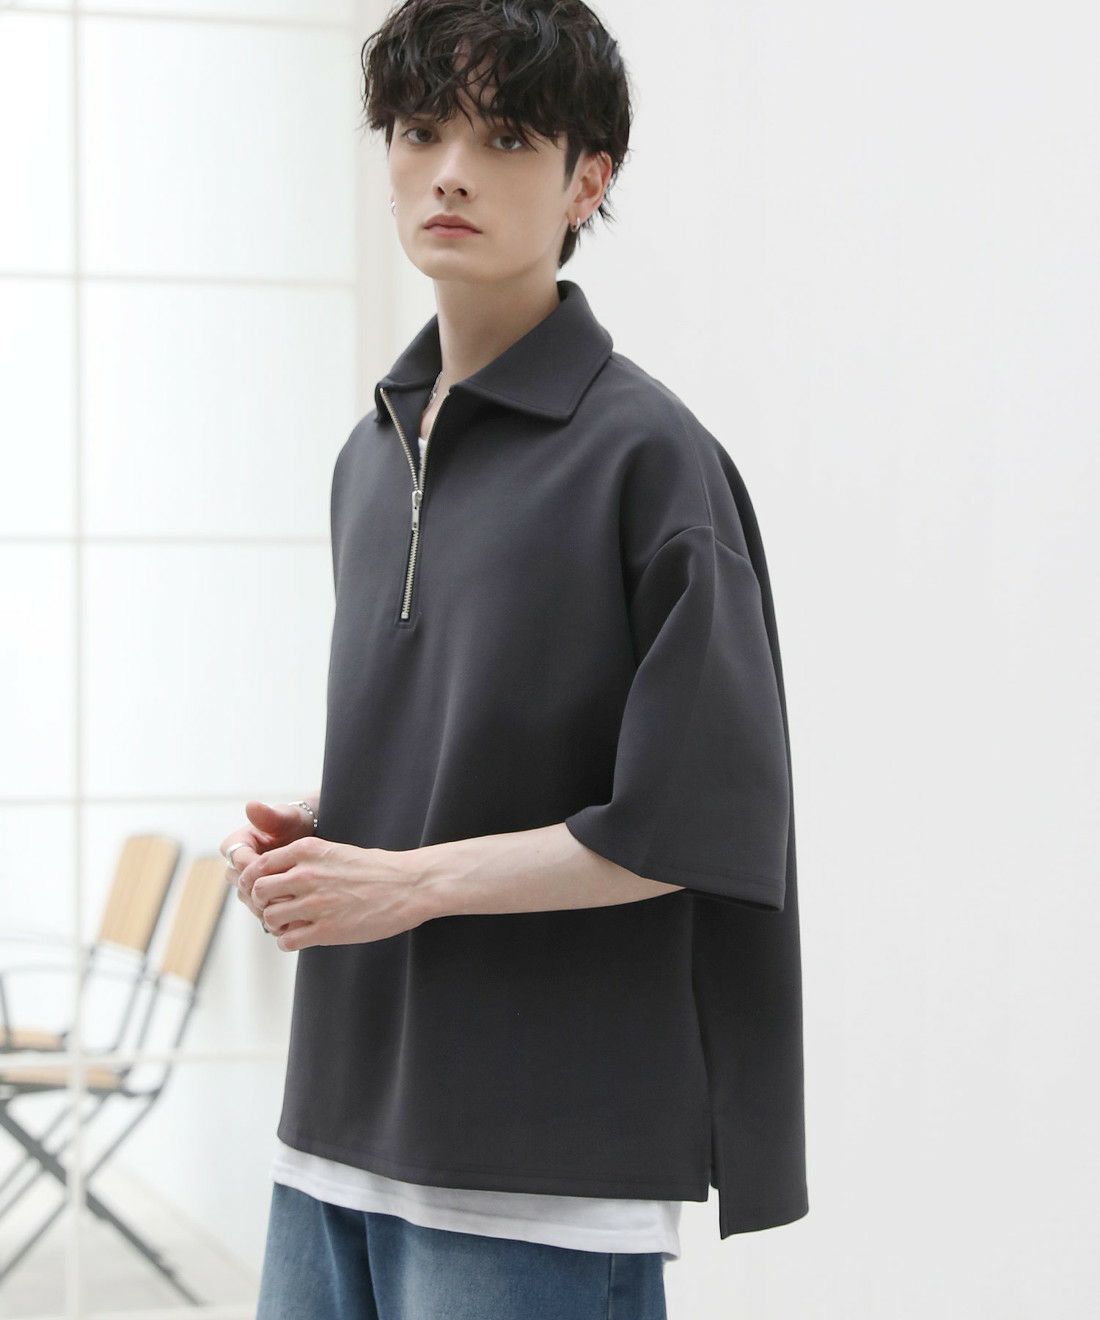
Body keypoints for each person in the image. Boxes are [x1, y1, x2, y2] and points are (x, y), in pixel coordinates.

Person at [219, 2, 807, 1317]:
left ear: (588, 180)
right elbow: (489, 748)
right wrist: (330, 838)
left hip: (538, 1168)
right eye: (420, 130)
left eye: (505, 138)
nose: (449, 173)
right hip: (334, 1130)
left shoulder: (650, 459)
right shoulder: (372, 456)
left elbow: (693, 825)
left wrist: (401, 884)